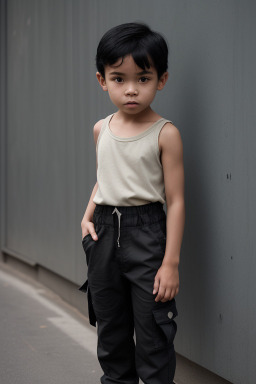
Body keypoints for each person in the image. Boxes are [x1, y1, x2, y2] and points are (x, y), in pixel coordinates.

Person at [79, 22, 185, 384]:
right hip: (104, 236)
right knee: (111, 336)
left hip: (148, 236)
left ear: (162, 79)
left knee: (153, 337)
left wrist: (170, 263)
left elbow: (176, 200)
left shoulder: (165, 133)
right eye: (119, 78)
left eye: (143, 78)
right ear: (102, 80)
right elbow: (105, 178)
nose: (131, 90)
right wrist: (87, 216)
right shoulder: (101, 128)